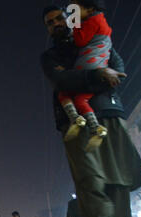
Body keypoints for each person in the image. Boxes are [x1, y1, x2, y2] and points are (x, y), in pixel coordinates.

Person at [41, 4, 141, 217]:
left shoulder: (94, 38)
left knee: (118, 184)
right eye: (49, 22)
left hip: (110, 114)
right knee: (91, 183)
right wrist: (97, 75)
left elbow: (118, 69)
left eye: (58, 19)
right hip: (74, 124)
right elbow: (61, 78)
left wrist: (88, 80)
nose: (55, 24)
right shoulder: (51, 56)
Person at [58, 0, 113, 151]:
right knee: (82, 99)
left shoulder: (94, 21)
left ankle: (76, 119)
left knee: (64, 93)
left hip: (89, 68)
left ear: (89, 9)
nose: (73, 12)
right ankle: (97, 128)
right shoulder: (101, 22)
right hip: (98, 71)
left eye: (76, 9)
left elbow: (80, 40)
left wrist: (75, 24)